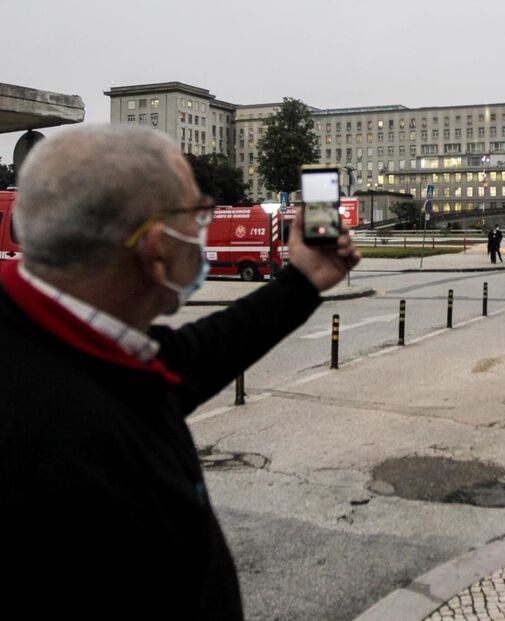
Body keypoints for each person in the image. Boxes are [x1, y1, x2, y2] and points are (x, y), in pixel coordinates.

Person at [0, 125, 360, 618]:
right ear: (155, 248)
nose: (204, 229)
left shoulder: (57, 336)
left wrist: (303, 283)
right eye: (197, 215)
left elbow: (188, 360)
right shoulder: (57, 451)